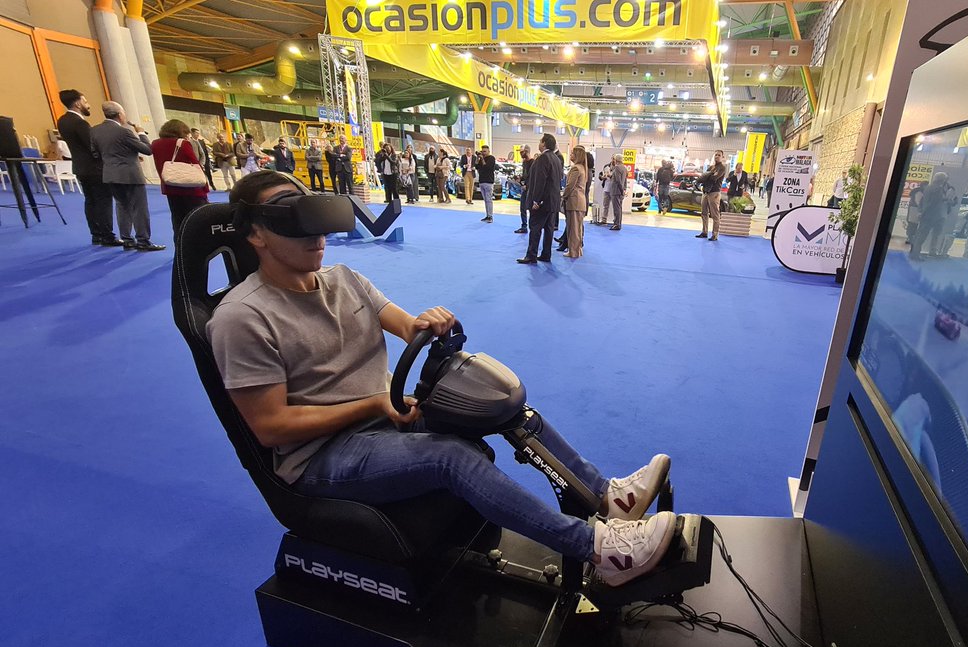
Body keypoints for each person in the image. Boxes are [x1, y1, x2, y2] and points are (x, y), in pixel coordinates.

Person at [208, 170, 676, 588]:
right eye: (291, 222)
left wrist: (428, 321)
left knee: (503, 404)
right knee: (449, 458)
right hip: (321, 457)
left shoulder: (345, 278)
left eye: (313, 219)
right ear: (256, 234)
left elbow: (406, 325)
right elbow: (270, 427)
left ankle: (604, 495)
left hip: (386, 418)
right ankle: (600, 549)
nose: (315, 236)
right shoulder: (243, 318)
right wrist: (373, 405)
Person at [88, 101, 165, 251]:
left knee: (122, 206)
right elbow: (147, 150)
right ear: (119, 115)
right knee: (139, 208)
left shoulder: (94, 131)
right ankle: (143, 241)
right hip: (130, 175)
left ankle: (127, 240)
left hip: (110, 174)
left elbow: (95, 153)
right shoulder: (125, 132)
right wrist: (141, 133)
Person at [56, 89, 120, 246]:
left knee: (90, 201)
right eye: (85, 101)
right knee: (103, 201)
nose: (88, 105)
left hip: (79, 167)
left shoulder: (62, 121)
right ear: (78, 103)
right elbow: (92, 146)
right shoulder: (80, 123)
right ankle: (107, 235)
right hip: (94, 169)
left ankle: (96, 234)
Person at [150, 118, 209, 239]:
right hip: (191, 189)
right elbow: (195, 164)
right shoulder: (182, 143)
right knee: (197, 219)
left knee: (177, 221)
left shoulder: (155, 144)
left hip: (170, 187)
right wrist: (205, 187)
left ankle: (180, 249)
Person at [517, 134, 563, 264]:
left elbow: (540, 181)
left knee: (535, 227)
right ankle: (546, 254)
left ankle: (531, 255)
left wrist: (536, 200)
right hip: (552, 200)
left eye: (540, 141)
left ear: (544, 143)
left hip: (542, 201)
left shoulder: (543, 158)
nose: (539, 143)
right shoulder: (556, 158)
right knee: (549, 229)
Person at [908, 172, 953, 259]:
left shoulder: (928, 187)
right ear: (942, 180)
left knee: (919, 235)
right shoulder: (938, 189)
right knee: (922, 236)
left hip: (926, 215)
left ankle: (914, 253)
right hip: (930, 216)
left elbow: (923, 201)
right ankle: (915, 255)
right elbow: (932, 204)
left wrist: (920, 211)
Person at [559, 145, 588, 257]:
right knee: (578, 228)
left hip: (574, 202)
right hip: (580, 202)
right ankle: (577, 250)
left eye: (572, 153)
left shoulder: (576, 168)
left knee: (573, 229)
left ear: (577, 155)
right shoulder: (582, 168)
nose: (570, 155)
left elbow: (570, 185)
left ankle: (573, 251)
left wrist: (564, 196)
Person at [697, 150, 727, 241]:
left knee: (715, 214)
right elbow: (702, 178)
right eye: (716, 155)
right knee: (704, 213)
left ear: (722, 157)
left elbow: (714, 178)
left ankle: (715, 234)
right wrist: (708, 175)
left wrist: (707, 176)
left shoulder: (722, 168)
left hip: (714, 192)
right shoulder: (711, 167)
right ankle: (704, 232)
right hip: (706, 191)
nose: (717, 156)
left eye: (719, 155)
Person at [602, 155, 627, 231]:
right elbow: (624, 180)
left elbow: (618, 181)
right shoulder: (624, 168)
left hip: (616, 190)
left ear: (616, 160)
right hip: (620, 190)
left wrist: (621, 190)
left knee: (616, 208)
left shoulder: (617, 168)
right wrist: (623, 189)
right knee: (619, 208)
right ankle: (618, 223)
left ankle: (616, 224)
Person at [476, 145, 497, 222]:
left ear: (488, 151)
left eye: (485, 151)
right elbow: (477, 167)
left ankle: (490, 216)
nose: (483, 153)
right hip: (481, 181)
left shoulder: (491, 158)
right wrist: (478, 158)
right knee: (485, 200)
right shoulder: (481, 159)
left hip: (488, 181)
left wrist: (482, 159)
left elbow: (487, 167)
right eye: (482, 151)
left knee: (489, 199)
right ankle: (487, 215)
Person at [515, 145, 533, 233]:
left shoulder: (533, 162)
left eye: (522, 152)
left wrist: (528, 185)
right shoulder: (524, 162)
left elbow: (533, 177)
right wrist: (520, 179)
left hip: (530, 190)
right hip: (524, 189)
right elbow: (526, 175)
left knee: (531, 209)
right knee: (523, 208)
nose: (520, 154)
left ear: (526, 151)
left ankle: (532, 227)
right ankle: (524, 226)